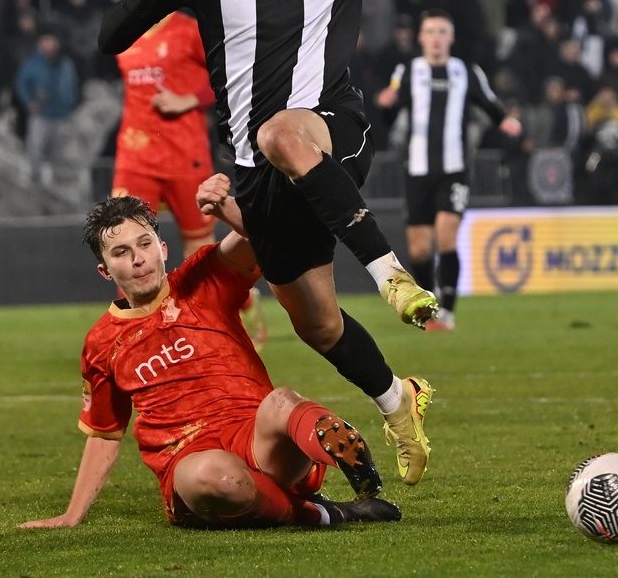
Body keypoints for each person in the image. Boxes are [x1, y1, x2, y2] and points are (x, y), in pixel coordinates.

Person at [98, 0, 609, 484]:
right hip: (263, 179)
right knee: (317, 324)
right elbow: (112, 38)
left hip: (331, 131)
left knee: (279, 133)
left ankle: (393, 275)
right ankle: (401, 400)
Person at [20, 184, 401, 530]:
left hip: (258, 439)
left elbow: (267, 232)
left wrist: (226, 208)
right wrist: (72, 516)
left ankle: (360, 471)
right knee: (214, 479)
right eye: (122, 252)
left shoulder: (202, 278)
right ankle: (326, 512)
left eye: (145, 243)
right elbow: (105, 433)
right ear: (105, 271)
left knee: (282, 401)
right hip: (189, 459)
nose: (138, 259)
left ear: (162, 248)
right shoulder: (102, 342)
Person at [113, 0, 267, 348]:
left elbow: (229, 75)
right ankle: (134, 335)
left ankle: (240, 308)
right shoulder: (122, 33)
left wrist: (187, 98)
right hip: (135, 156)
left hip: (185, 154)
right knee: (121, 238)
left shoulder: (187, 29)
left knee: (200, 251)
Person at [375, 9, 523, 332]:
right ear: (421, 37)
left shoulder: (464, 71)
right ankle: (428, 310)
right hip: (417, 170)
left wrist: (505, 121)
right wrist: (385, 105)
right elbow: (391, 110)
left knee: (446, 237)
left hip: (454, 169)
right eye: (431, 31)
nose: (437, 37)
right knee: (419, 248)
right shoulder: (409, 70)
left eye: (443, 31)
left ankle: (449, 312)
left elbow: (487, 101)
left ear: (451, 38)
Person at [15, 31, 80, 184]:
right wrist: (30, 101)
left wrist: (70, 105)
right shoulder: (32, 62)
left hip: (61, 115)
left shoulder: (65, 63)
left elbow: (72, 86)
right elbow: (21, 84)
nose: (48, 45)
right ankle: (34, 180)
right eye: (45, 41)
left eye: (51, 41)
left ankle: (57, 183)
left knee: (60, 152)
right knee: (35, 149)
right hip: (41, 115)